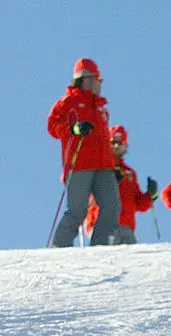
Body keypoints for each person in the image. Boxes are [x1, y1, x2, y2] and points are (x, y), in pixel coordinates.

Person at [46, 58, 119, 247]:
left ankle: (100, 246)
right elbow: (52, 126)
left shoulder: (101, 107)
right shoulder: (68, 103)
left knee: (112, 206)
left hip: (104, 166)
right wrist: (74, 129)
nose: (100, 84)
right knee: (77, 211)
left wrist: (113, 165)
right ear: (86, 79)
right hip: (80, 164)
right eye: (98, 79)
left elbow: (103, 140)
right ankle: (58, 246)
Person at [84, 125, 158, 244]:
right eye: (113, 142)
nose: (117, 146)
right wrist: (109, 183)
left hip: (126, 226)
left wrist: (151, 195)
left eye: (120, 142)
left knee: (131, 260)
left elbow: (138, 204)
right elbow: (86, 196)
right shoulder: (97, 166)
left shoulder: (130, 173)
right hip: (102, 224)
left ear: (125, 146)